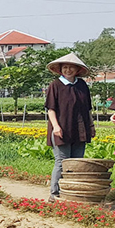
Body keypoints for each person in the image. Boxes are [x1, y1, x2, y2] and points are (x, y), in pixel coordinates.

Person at [45, 52, 94, 201]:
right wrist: (56, 127)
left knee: (77, 163)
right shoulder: (55, 85)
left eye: (71, 67)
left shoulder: (82, 85)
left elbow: (88, 109)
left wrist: (91, 127)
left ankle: (71, 192)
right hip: (62, 129)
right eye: (65, 67)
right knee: (62, 162)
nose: (68, 70)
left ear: (77, 70)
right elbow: (51, 109)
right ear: (60, 69)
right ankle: (55, 194)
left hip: (80, 129)